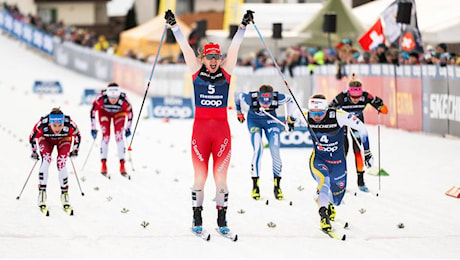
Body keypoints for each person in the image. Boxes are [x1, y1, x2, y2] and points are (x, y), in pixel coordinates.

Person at [164, 9, 253, 235]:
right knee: (199, 179)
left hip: (222, 133)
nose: (213, 61)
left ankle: (222, 220)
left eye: (216, 57)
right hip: (200, 133)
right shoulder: (196, 71)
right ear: (202, 58)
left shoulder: (226, 72)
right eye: (209, 57)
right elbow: (185, 48)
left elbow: (235, 48)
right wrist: (175, 26)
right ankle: (197, 218)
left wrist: (242, 27)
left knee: (221, 181)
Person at [306, 94, 374, 233]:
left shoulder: (338, 115)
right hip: (318, 160)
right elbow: (292, 109)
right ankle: (323, 216)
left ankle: (324, 200)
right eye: (313, 113)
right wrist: (290, 123)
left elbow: (362, 128)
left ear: (326, 109)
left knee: (337, 199)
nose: (316, 117)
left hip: (338, 162)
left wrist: (367, 152)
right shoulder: (305, 114)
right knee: (324, 182)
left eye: (320, 113)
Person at [234, 84, 296, 200]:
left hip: (271, 122)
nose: (266, 105)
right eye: (263, 102)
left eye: (268, 102)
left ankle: (277, 186)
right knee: (258, 150)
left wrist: (290, 120)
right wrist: (239, 112)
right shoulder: (250, 98)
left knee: (275, 151)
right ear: (258, 97)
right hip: (254, 122)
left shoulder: (277, 98)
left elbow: (290, 100)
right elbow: (237, 95)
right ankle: (255, 186)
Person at [329, 73, 388, 192]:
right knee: (343, 151)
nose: (356, 100)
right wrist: (335, 110)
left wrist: (380, 106)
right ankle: (339, 181)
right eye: (353, 97)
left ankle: (361, 181)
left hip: (357, 124)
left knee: (357, 150)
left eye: (358, 97)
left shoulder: (366, 96)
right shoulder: (342, 97)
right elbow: (329, 109)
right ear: (349, 93)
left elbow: (383, 108)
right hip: (343, 125)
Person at [29, 107, 81, 212]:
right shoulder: (42, 125)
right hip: (46, 139)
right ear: (50, 124)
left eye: (60, 125)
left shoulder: (69, 124)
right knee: (46, 160)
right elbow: (31, 137)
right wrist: (34, 152)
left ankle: (65, 194)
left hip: (64, 139)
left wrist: (75, 150)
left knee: (62, 162)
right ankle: (42, 193)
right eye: (54, 126)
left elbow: (78, 136)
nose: (57, 129)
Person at [90, 82, 133, 178]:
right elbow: (92, 110)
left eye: (115, 98)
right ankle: (103, 164)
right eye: (111, 98)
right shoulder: (101, 98)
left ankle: (122, 165)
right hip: (104, 113)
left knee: (119, 136)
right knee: (106, 136)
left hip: (119, 113)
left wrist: (128, 128)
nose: (113, 100)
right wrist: (93, 127)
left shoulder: (123, 99)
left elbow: (130, 112)